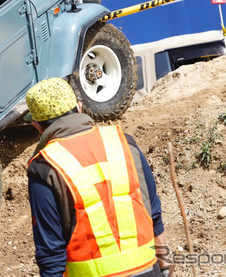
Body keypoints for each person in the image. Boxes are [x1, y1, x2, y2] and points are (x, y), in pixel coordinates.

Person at [26, 78, 170, 277]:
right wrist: (164, 267)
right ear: (80, 107)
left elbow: (51, 253)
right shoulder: (124, 143)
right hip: (147, 270)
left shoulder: (45, 167)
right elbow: (153, 213)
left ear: (37, 127)